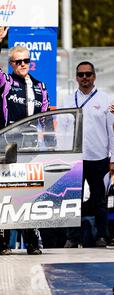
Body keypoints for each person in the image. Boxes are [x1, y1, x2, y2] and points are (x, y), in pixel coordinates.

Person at [0, 27, 50, 255]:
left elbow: (47, 121)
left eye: (26, 61)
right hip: (8, 145)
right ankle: (4, 244)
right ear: (12, 64)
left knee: (29, 194)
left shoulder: (41, 87)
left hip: (31, 145)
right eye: (17, 62)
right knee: (6, 193)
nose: (22, 64)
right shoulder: (5, 83)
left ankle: (33, 242)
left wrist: (51, 148)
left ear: (30, 62)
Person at [60, 61, 114, 248]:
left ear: (94, 76)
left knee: (100, 200)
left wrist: (113, 158)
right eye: (81, 75)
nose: (85, 78)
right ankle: (72, 237)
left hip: (98, 157)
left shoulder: (106, 100)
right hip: (74, 159)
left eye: (88, 74)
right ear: (76, 77)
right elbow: (62, 131)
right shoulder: (67, 100)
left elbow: (112, 131)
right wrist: (62, 156)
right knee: (72, 199)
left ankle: (101, 235)